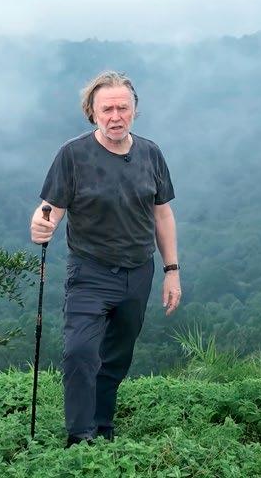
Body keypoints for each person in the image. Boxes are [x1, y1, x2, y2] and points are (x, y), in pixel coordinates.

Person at [29, 71, 182, 447]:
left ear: (134, 110)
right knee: (80, 351)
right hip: (90, 270)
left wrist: (172, 270)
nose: (116, 116)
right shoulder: (73, 155)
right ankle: (79, 436)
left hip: (138, 271)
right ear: (92, 113)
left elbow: (162, 214)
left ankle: (102, 424)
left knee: (117, 354)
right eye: (107, 109)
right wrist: (42, 224)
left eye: (123, 108)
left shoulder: (150, 153)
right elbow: (52, 207)